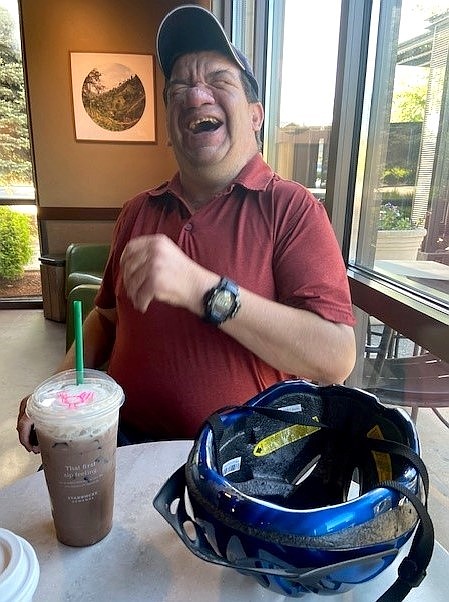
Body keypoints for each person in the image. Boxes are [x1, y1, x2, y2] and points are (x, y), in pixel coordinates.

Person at [17, 5, 356, 451]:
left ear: (255, 116)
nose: (196, 96)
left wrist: (201, 289)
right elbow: (105, 319)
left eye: (218, 80)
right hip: (120, 446)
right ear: (170, 130)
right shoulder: (138, 211)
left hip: (237, 466)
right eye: (179, 85)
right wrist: (57, 389)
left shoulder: (292, 209)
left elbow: (335, 357)